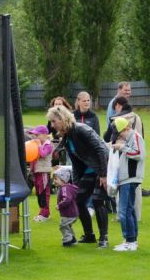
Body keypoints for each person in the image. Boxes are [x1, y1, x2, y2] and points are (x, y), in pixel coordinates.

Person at [47, 105, 110, 248]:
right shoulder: (68, 137)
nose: (52, 125)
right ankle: (89, 235)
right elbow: (76, 163)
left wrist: (103, 175)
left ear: (62, 119)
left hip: (101, 168)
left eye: (53, 121)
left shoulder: (82, 129)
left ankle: (104, 238)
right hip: (88, 171)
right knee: (79, 200)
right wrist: (75, 184)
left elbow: (101, 149)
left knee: (97, 200)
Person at [111, 117, 145, 252]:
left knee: (124, 211)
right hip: (127, 179)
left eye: (121, 134)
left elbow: (139, 154)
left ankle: (130, 241)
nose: (121, 137)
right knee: (129, 209)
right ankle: (131, 240)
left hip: (130, 178)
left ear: (125, 129)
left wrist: (122, 147)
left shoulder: (135, 136)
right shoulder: (130, 137)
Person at [28, 125, 54, 222]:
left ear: (44, 135)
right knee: (39, 193)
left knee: (44, 193)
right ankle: (42, 213)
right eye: (34, 135)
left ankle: (45, 214)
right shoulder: (35, 145)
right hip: (36, 172)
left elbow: (43, 154)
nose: (35, 138)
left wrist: (38, 145)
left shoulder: (48, 145)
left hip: (43, 172)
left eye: (37, 135)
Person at [54, 166, 78, 247]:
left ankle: (67, 240)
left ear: (63, 179)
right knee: (67, 226)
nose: (54, 181)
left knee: (63, 226)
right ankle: (73, 238)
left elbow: (67, 199)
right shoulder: (67, 187)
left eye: (56, 179)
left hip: (69, 213)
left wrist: (59, 205)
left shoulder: (64, 188)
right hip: (72, 213)